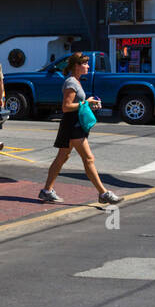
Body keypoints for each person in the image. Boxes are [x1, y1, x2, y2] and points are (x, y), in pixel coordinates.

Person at [38, 54, 122, 205]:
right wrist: (86, 103)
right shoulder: (71, 82)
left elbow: (78, 104)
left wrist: (90, 104)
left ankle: (46, 190)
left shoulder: (76, 81)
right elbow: (66, 107)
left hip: (74, 125)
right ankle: (103, 193)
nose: (88, 67)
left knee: (62, 157)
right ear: (77, 66)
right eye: (85, 64)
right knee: (88, 159)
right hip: (73, 126)